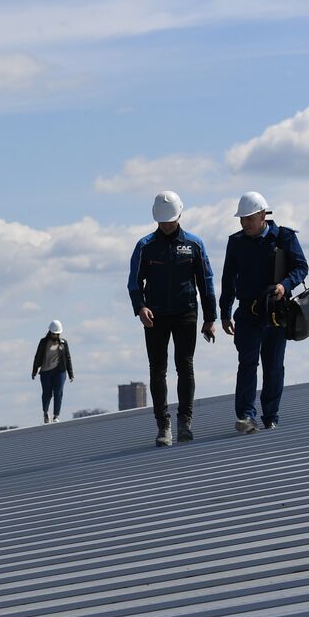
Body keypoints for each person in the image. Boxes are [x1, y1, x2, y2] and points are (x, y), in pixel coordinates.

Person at [127, 190, 217, 447]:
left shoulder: (194, 244)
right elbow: (134, 282)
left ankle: (185, 422)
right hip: (154, 315)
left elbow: (206, 282)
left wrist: (210, 318)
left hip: (186, 313)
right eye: (162, 221)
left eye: (170, 220)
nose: (166, 225)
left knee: (185, 366)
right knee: (158, 370)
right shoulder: (145, 246)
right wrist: (140, 307)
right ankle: (163, 424)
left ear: (179, 215)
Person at [219, 191, 309, 434]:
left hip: (276, 312)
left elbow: (302, 267)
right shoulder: (236, 242)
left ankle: (271, 416)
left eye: (249, 218)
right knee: (247, 363)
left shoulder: (284, 237)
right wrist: (224, 312)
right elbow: (228, 279)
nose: (245, 223)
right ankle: (246, 416)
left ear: (262, 215)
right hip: (247, 313)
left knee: (273, 366)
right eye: (242, 219)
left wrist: (285, 285)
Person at [31, 320, 74, 423]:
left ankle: (56, 415)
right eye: (54, 334)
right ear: (50, 332)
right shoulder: (43, 342)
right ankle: (45, 412)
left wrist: (71, 374)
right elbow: (37, 356)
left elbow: (68, 358)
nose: (55, 335)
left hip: (60, 372)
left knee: (58, 393)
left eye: (57, 334)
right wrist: (34, 370)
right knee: (47, 394)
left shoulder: (64, 343)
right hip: (46, 372)